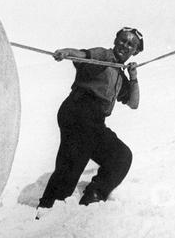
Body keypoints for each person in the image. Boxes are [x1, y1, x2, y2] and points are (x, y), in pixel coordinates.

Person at [36, 28, 142, 217]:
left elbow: (133, 103)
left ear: (135, 51)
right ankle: (46, 210)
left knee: (120, 156)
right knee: (72, 164)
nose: (124, 46)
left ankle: (93, 195)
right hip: (78, 111)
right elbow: (81, 55)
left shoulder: (120, 76)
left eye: (130, 45)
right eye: (122, 41)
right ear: (115, 40)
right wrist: (66, 52)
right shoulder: (103, 55)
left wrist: (133, 78)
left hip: (95, 122)